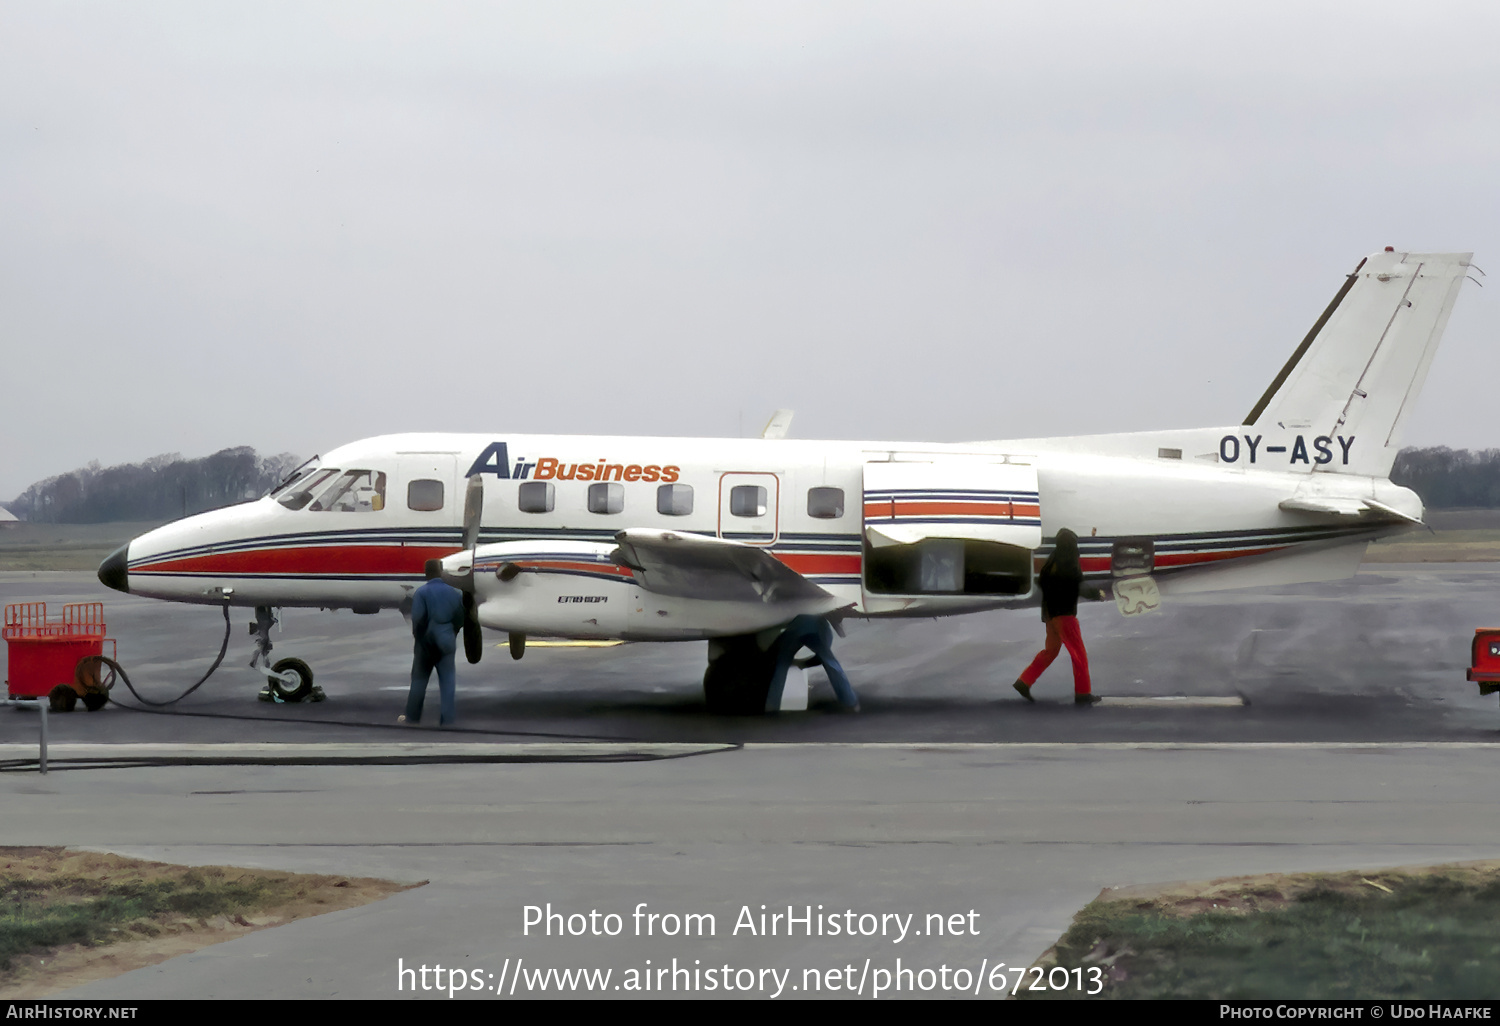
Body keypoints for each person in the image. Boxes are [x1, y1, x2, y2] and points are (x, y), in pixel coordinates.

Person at [1013, 528, 1102, 706]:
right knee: (1079, 655)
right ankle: (1083, 694)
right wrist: (1096, 594)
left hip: (1050, 615)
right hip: (1065, 615)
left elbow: (1041, 582)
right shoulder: (1070, 562)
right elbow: (1079, 586)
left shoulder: (1051, 561)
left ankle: (1024, 681)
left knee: (1051, 651)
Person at [401, 559, 467, 725]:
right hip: (446, 638)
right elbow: (461, 617)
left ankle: (413, 716)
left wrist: (419, 637)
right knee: (447, 679)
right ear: (441, 572)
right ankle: (447, 719)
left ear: (426, 573)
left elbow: (418, 618)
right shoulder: (456, 593)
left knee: (419, 679)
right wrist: (452, 631)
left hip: (426, 640)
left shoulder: (421, 593)